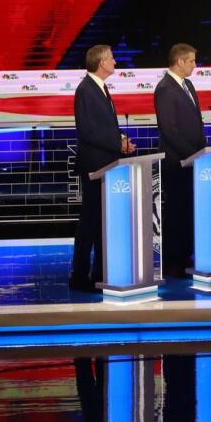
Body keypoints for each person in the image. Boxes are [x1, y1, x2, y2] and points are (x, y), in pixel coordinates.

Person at [72, 45, 136, 291]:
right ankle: (79, 276)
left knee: (100, 223)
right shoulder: (86, 90)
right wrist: (117, 143)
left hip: (106, 164)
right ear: (101, 62)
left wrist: (122, 140)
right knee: (89, 223)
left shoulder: (100, 88)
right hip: (94, 166)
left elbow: (105, 126)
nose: (115, 62)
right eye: (111, 58)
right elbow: (87, 131)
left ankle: (99, 272)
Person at [154, 43, 206, 279]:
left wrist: (202, 151)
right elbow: (169, 130)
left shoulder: (188, 85)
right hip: (176, 163)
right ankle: (173, 263)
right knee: (176, 213)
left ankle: (186, 257)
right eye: (192, 61)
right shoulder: (165, 88)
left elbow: (196, 122)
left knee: (188, 212)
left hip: (192, 162)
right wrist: (191, 154)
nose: (195, 66)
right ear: (180, 62)